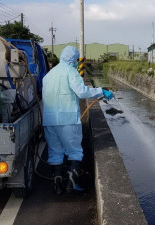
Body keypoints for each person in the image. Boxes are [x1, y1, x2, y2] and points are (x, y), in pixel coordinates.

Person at [42, 46, 113, 194]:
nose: (76, 63)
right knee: (74, 151)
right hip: (67, 120)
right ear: (73, 59)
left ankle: (57, 186)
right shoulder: (71, 72)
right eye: (76, 60)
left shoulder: (49, 75)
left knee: (55, 151)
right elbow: (81, 92)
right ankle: (71, 185)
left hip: (49, 120)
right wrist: (101, 91)